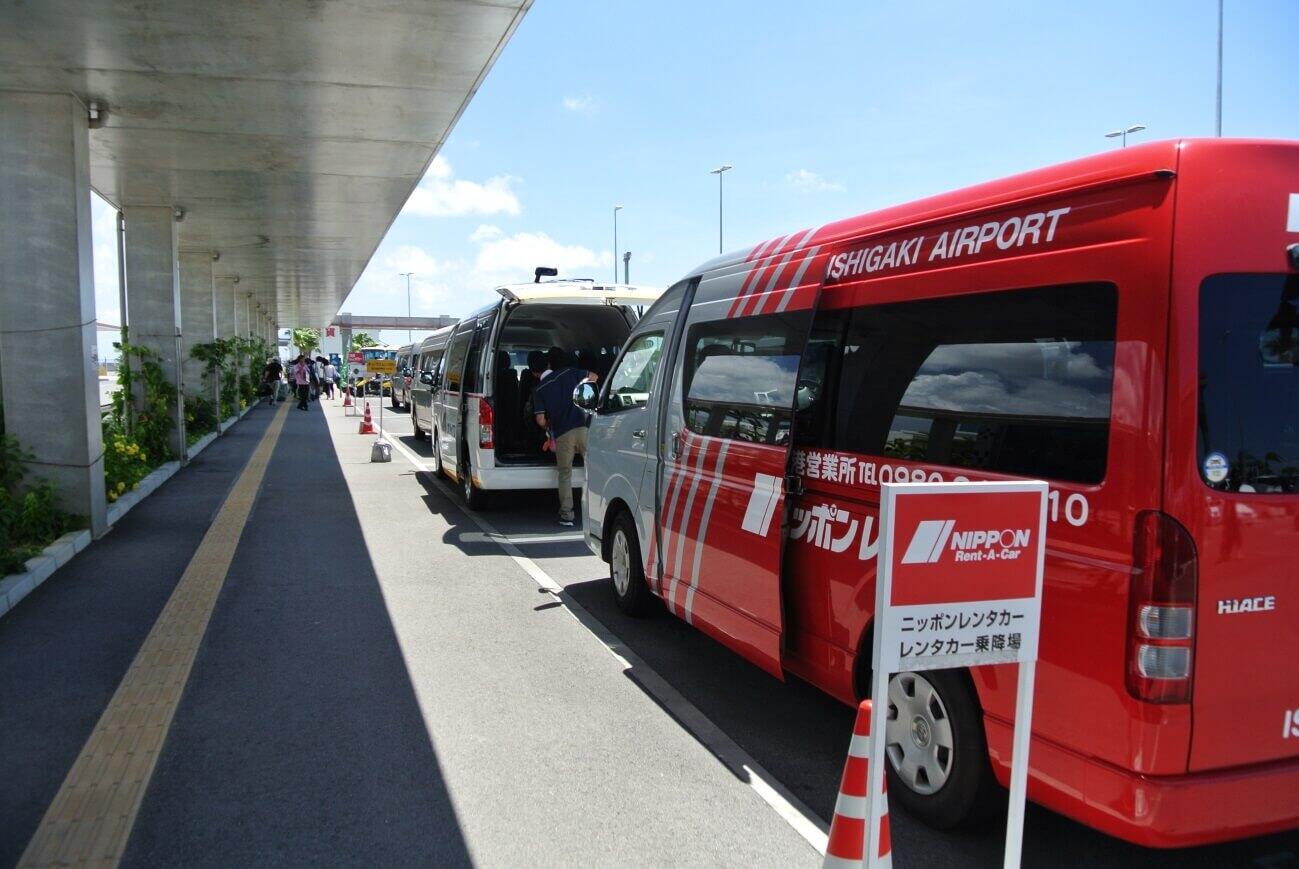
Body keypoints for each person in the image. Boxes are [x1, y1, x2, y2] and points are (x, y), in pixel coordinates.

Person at [532, 349, 599, 526]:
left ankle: (567, 515)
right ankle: (596, 512)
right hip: (584, 429)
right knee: (593, 470)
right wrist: (585, 398)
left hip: (563, 434)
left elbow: (540, 420)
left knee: (565, 474)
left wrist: (550, 424)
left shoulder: (540, 389)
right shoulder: (572, 373)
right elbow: (594, 376)